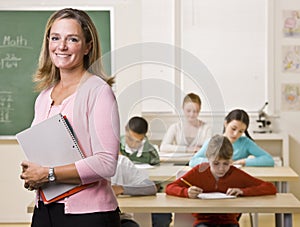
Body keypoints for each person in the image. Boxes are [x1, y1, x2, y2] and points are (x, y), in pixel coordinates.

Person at [19, 8, 121, 227]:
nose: (61, 46)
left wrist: (48, 174)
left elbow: (106, 163)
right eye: (55, 38)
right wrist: (33, 174)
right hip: (45, 211)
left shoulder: (98, 91)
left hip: (88, 216)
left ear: (87, 46)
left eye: (72, 39)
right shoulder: (44, 97)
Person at [166, 134, 277, 227]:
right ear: (208, 159)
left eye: (226, 163)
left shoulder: (236, 174)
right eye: (216, 163)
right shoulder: (199, 171)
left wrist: (243, 191)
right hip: (203, 222)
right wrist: (186, 192)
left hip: (229, 222)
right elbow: (170, 187)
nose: (221, 168)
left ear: (231, 160)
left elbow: (270, 187)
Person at [189, 109, 275, 167]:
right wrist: (217, 162)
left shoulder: (245, 143)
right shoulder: (213, 142)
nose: (236, 134)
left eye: (241, 131)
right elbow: (193, 161)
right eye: (233, 129)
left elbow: (269, 160)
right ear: (226, 123)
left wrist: (244, 162)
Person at [111, 154, 158, 227]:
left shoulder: (121, 162)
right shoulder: (87, 164)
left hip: (119, 218)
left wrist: (121, 189)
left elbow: (150, 187)